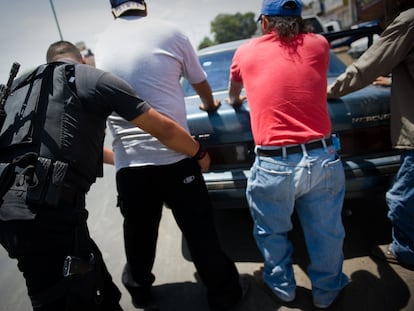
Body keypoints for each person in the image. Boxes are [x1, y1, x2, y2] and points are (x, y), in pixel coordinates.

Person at [0, 40, 212, 311]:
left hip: (13, 209)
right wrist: (199, 153)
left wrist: (123, 158)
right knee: (68, 297)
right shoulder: (92, 78)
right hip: (47, 215)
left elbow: (68, 146)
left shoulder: (24, 86)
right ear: (82, 59)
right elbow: (163, 129)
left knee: (97, 285)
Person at [94, 1, 244, 310]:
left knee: (138, 236)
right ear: (144, 5)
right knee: (200, 232)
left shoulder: (101, 43)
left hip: (130, 166)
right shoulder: (171, 32)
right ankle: (224, 295)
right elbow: (199, 81)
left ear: (113, 11)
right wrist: (210, 105)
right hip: (176, 158)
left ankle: (139, 291)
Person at [228, 0, 349, 308]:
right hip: (322, 157)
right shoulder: (320, 45)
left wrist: (237, 99)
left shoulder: (245, 52)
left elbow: (233, 94)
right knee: (327, 233)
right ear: (298, 20)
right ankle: (327, 292)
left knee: (272, 231)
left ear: (265, 23)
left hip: (273, 163)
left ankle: (282, 287)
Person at [327, 0, 414, 269]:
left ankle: (406, 252)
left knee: (401, 197)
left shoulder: (409, 20)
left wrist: (328, 91)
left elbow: (366, 67)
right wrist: (394, 79)